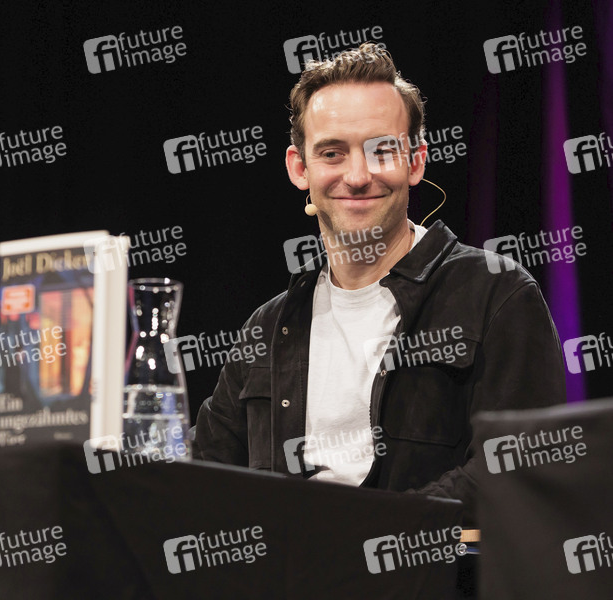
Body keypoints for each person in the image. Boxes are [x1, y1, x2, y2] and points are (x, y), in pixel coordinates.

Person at [193, 43, 566, 527]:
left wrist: (371, 538)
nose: (357, 176)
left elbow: (522, 465)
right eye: (332, 153)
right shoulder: (268, 327)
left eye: (382, 150)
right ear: (300, 169)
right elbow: (203, 481)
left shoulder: (498, 295)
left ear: (415, 162)